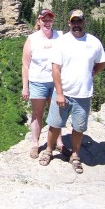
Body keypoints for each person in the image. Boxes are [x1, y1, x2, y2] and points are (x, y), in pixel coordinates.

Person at [39, 9, 105, 174]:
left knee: (79, 127)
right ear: (69, 23)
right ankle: (48, 150)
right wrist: (60, 93)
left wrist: (92, 72)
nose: (76, 24)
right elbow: (55, 69)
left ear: (84, 22)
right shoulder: (62, 42)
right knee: (55, 124)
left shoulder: (94, 42)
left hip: (83, 94)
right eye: (73, 21)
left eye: (79, 21)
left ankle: (75, 155)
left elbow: (101, 62)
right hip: (64, 93)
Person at [22, 9, 70, 159]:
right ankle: (35, 144)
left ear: (52, 21)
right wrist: (25, 86)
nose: (47, 22)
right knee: (37, 114)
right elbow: (25, 64)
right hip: (38, 82)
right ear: (39, 21)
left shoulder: (60, 36)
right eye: (44, 20)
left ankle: (59, 142)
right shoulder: (32, 39)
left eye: (49, 20)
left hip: (56, 82)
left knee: (56, 113)